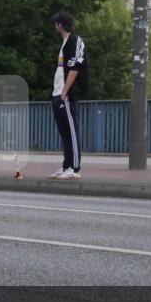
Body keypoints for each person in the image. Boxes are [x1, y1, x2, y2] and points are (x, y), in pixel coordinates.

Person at [49, 11, 88, 180]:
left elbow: (75, 67)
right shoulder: (64, 43)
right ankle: (66, 166)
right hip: (58, 93)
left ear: (60, 24)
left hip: (67, 95)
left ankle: (75, 168)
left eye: (56, 23)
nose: (54, 26)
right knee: (64, 132)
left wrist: (65, 91)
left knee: (72, 131)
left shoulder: (75, 41)